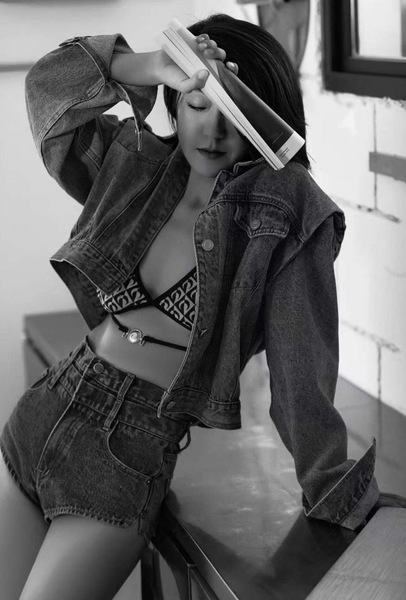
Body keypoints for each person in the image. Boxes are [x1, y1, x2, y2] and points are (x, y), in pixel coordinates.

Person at [0, 12, 404, 600]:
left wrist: (336, 490)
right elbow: (48, 89)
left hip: (123, 452)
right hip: (44, 410)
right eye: (197, 104)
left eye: (234, 115)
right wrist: (151, 64)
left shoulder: (284, 210)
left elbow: (301, 368)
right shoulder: (132, 164)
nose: (212, 132)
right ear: (176, 100)